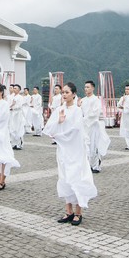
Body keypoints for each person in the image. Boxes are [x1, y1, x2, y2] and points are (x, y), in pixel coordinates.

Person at [43, 82, 97, 226]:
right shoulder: (59, 109)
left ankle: (78, 212)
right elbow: (49, 129)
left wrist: (60, 134)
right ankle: (68, 211)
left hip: (76, 150)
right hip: (63, 151)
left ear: (74, 94)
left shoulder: (77, 111)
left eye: (67, 92)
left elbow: (75, 130)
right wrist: (59, 123)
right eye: (63, 92)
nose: (64, 95)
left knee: (76, 178)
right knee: (65, 178)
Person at [81, 80, 110, 173]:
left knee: (94, 146)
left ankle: (96, 166)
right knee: (87, 145)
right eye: (85, 87)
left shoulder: (96, 100)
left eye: (88, 87)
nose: (86, 89)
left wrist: (86, 118)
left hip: (93, 126)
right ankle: (88, 164)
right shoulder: (83, 100)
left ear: (93, 88)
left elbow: (95, 113)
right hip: (85, 126)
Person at [9, 84, 27, 150]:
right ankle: (14, 143)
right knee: (13, 128)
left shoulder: (20, 97)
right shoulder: (12, 97)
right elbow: (9, 104)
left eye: (16, 88)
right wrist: (11, 106)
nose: (14, 89)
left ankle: (19, 144)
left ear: (19, 90)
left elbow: (19, 105)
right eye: (14, 88)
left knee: (18, 128)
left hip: (18, 114)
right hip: (12, 114)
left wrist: (13, 106)